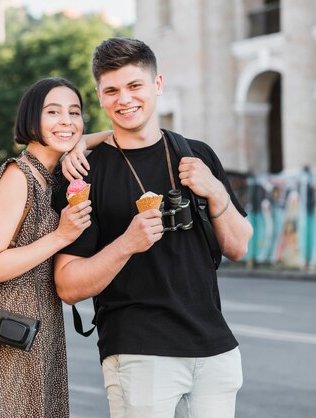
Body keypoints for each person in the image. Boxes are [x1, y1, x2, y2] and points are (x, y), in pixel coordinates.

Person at [53, 38, 253, 418]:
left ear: (157, 84)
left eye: (134, 86)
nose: (124, 99)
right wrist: (127, 243)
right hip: (139, 354)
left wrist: (213, 191)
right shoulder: (86, 174)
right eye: (111, 90)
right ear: (99, 96)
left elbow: (239, 246)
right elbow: (67, 285)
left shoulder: (198, 154)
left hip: (215, 351)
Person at [0, 77, 113, 417]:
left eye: (74, 112)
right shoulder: (18, 176)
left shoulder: (49, 175)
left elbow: (115, 135)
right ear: (32, 119)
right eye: (53, 112)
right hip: (2, 343)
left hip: (33, 335)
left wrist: (80, 145)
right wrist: (61, 237)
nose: (66, 120)